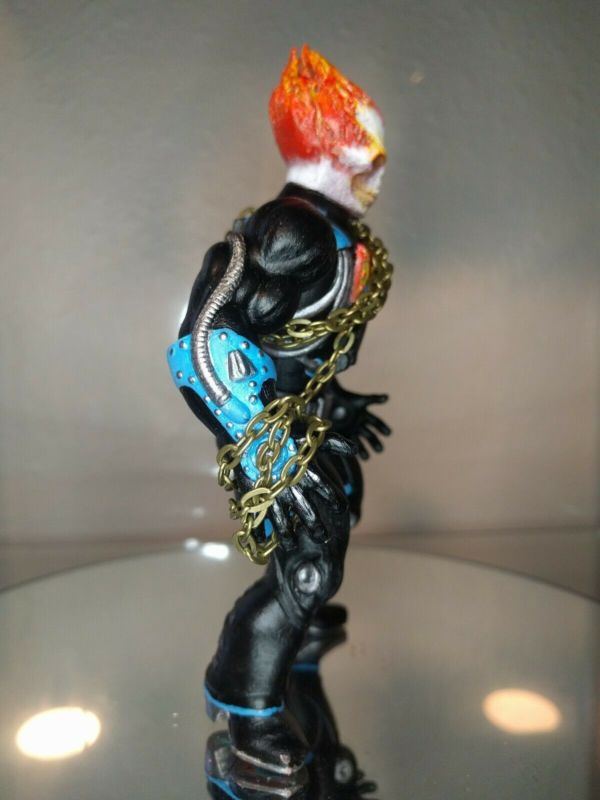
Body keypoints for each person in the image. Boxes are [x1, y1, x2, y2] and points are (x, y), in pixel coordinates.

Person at [167, 45, 392, 776]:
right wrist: (271, 449)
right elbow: (205, 346)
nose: (379, 168)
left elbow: (300, 345)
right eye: (368, 149)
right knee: (307, 568)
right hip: (269, 433)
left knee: (337, 519)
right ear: (329, 146)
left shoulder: (336, 233)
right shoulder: (292, 232)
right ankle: (249, 713)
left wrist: (336, 404)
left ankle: (299, 627)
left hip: (307, 419)